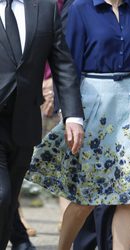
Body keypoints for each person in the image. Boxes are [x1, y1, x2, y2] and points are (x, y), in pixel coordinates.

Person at [26, 0, 130, 249]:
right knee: (86, 197)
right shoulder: (81, 8)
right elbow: (68, 65)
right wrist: (68, 113)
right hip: (92, 103)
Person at [0, 0, 84, 248]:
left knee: (9, 202)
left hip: (24, 123)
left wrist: (73, 116)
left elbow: (62, 64)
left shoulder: (45, 8)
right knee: (1, 196)